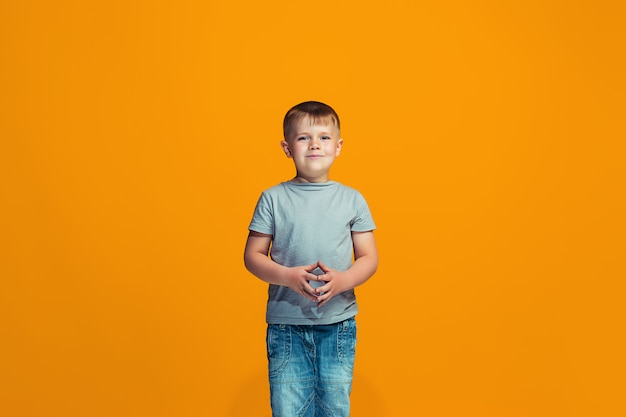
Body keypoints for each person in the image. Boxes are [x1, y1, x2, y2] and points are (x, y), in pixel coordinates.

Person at [243, 100, 379, 417]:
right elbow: (252, 256)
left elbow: (369, 257)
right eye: (304, 137)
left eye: (324, 137)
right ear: (287, 147)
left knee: (333, 407)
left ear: (338, 146)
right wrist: (288, 277)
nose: (314, 144)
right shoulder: (273, 198)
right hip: (286, 325)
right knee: (289, 407)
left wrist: (344, 280)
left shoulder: (352, 199)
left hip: (338, 324)